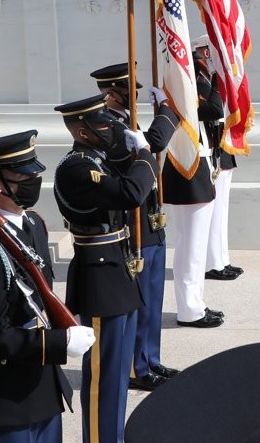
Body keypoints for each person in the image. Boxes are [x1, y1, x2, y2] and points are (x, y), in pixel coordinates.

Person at [0, 131, 96, 443]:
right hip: (4, 400)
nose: (34, 181)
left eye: (34, 173)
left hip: (43, 389)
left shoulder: (34, 226)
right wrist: (59, 342)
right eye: (23, 176)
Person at [53, 95, 157, 443]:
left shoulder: (97, 158)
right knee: (104, 378)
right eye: (102, 124)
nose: (111, 128)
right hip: (100, 277)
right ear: (82, 131)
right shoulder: (77, 167)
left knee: (116, 376)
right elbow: (131, 192)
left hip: (118, 269)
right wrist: (144, 155)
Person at [89, 63, 181, 392]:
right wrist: (168, 111)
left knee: (153, 297)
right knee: (140, 298)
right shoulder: (108, 126)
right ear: (112, 93)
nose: (136, 97)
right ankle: (134, 367)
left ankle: (150, 359)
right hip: (134, 223)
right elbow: (154, 142)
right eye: (131, 92)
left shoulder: (127, 121)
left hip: (150, 219)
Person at [161, 45, 225, 328]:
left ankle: (195, 304)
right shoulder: (191, 82)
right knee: (191, 245)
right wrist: (218, 85)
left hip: (197, 164)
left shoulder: (196, 79)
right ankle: (189, 309)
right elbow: (212, 109)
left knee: (195, 245)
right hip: (187, 167)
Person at [189, 35, 244, 282]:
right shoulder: (199, 74)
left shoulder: (209, 75)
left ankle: (221, 259)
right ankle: (213, 263)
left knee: (221, 210)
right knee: (214, 210)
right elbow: (209, 110)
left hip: (221, 144)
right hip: (211, 145)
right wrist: (217, 83)